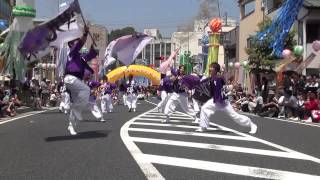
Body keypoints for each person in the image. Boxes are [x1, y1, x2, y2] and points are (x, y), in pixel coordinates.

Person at [196, 63, 257, 134]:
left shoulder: (219, 78)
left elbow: (227, 81)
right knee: (204, 108)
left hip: (223, 102)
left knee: (235, 116)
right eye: (210, 67)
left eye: (211, 68)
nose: (209, 69)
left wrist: (235, 71)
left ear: (215, 70)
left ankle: (252, 125)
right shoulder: (210, 79)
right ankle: (203, 127)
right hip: (215, 101)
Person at [63, 25, 100, 135]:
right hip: (70, 78)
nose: (76, 43)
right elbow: (80, 44)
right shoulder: (72, 52)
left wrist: (94, 46)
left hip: (76, 81)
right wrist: (84, 33)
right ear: (71, 44)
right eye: (74, 42)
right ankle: (76, 110)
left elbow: (90, 55)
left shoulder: (80, 57)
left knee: (77, 101)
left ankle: (71, 126)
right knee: (86, 91)